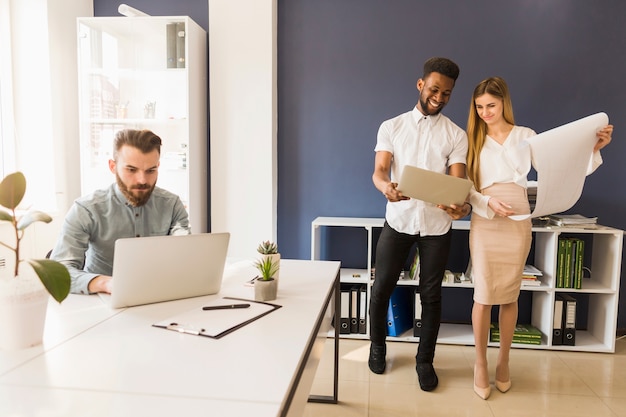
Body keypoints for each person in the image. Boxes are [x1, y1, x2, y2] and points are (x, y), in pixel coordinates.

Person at [465, 76, 613, 399]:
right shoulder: (472, 139)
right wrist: (488, 202)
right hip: (486, 218)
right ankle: (480, 363)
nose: (485, 112)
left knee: (509, 294)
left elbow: (560, 166)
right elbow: (467, 187)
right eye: (479, 107)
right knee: (483, 294)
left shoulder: (526, 137)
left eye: (491, 105)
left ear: (504, 102)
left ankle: (503, 361)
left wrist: (594, 148)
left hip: (518, 217)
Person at [369, 57, 471, 392]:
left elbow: (459, 181)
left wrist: (458, 204)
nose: (439, 98)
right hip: (398, 220)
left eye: (447, 93)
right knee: (382, 286)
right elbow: (380, 171)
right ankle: (378, 347)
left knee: (431, 296)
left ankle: (424, 361)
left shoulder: (456, 135)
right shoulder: (392, 126)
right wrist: (386, 187)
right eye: (434, 89)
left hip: (436, 226)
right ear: (420, 85)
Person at [50, 129, 191, 295]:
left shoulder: (172, 205)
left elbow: (184, 257)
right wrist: (105, 283)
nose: (142, 180)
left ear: (158, 166)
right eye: (131, 170)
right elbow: (57, 274)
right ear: (112, 166)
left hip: (158, 297)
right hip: (101, 302)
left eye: (150, 170)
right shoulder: (86, 209)